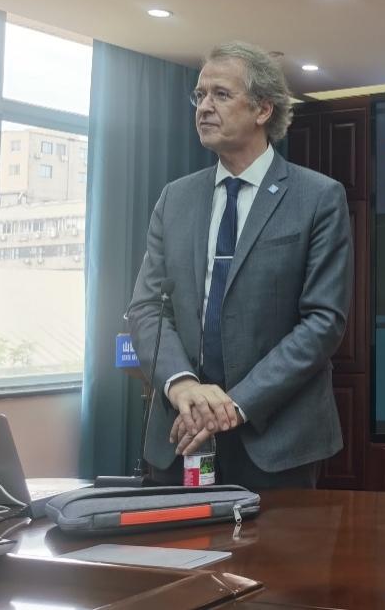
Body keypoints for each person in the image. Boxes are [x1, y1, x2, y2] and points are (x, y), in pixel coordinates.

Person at [128, 40, 353, 489]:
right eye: (199, 95)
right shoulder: (175, 199)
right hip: (181, 433)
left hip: (276, 442)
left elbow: (322, 322)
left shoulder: (318, 197)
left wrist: (233, 405)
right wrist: (182, 386)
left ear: (263, 109)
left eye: (221, 95)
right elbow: (147, 308)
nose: (204, 107)